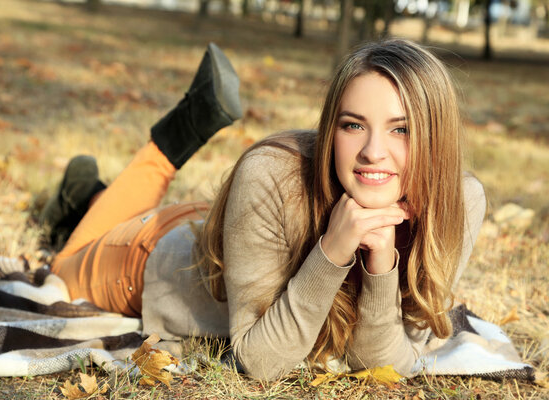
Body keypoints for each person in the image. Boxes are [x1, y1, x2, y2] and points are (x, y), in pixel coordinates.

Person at [40, 39, 486, 381]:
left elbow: (384, 362)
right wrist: (332, 251)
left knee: (80, 227)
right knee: (61, 266)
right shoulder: (271, 174)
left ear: (437, 136)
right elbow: (258, 362)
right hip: (151, 257)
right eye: (353, 125)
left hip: (245, 233)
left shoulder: (458, 202)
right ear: (331, 128)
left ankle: (82, 200)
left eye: (401, 130)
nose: (373, 152)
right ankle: (166, 146)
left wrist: (381, 262)